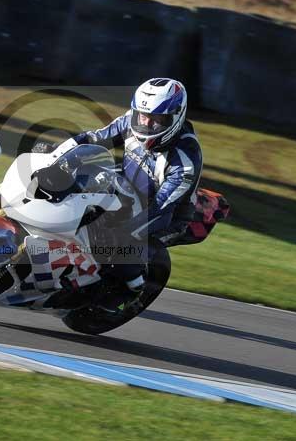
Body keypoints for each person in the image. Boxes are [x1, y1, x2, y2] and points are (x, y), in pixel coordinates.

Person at [67, 78, 203, 312]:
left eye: (157, 119)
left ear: (175, 117)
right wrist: (57, 155)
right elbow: (94, 138)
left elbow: (161, 206)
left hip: (165, 212)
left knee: (122, 241)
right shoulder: (130, 122)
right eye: (143, 116)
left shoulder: (185, 159)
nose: (147, 124)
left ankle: (131, 288)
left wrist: (122, 231)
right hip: (128, 188)